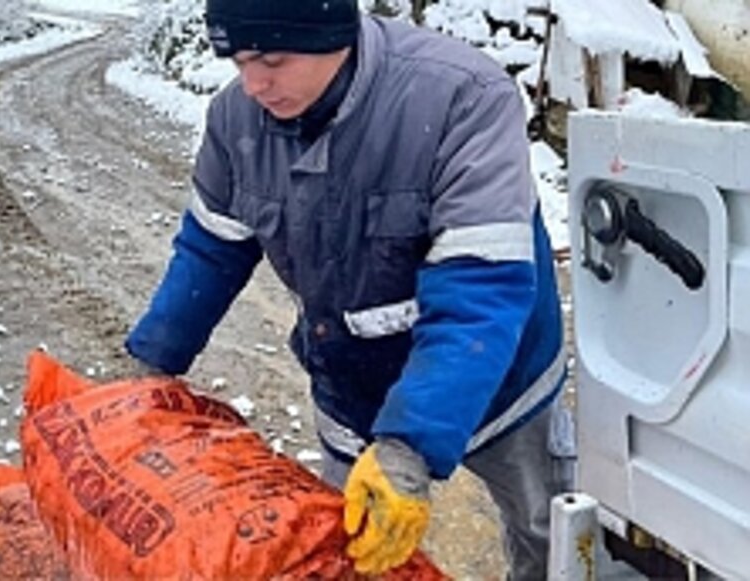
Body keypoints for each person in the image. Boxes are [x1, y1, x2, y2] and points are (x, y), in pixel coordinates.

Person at [125, 1, 565, 578]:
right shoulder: (236, 121)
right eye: (238, 61)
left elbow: (479, 290)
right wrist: (151, 364)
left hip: (499, 378)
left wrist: (411, 444)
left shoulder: (463, 98)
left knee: (550, 536)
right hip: (352, 381)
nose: (254, 84)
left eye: (272, 60)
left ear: (334, 37)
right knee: (345, 549)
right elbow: (211, 249)